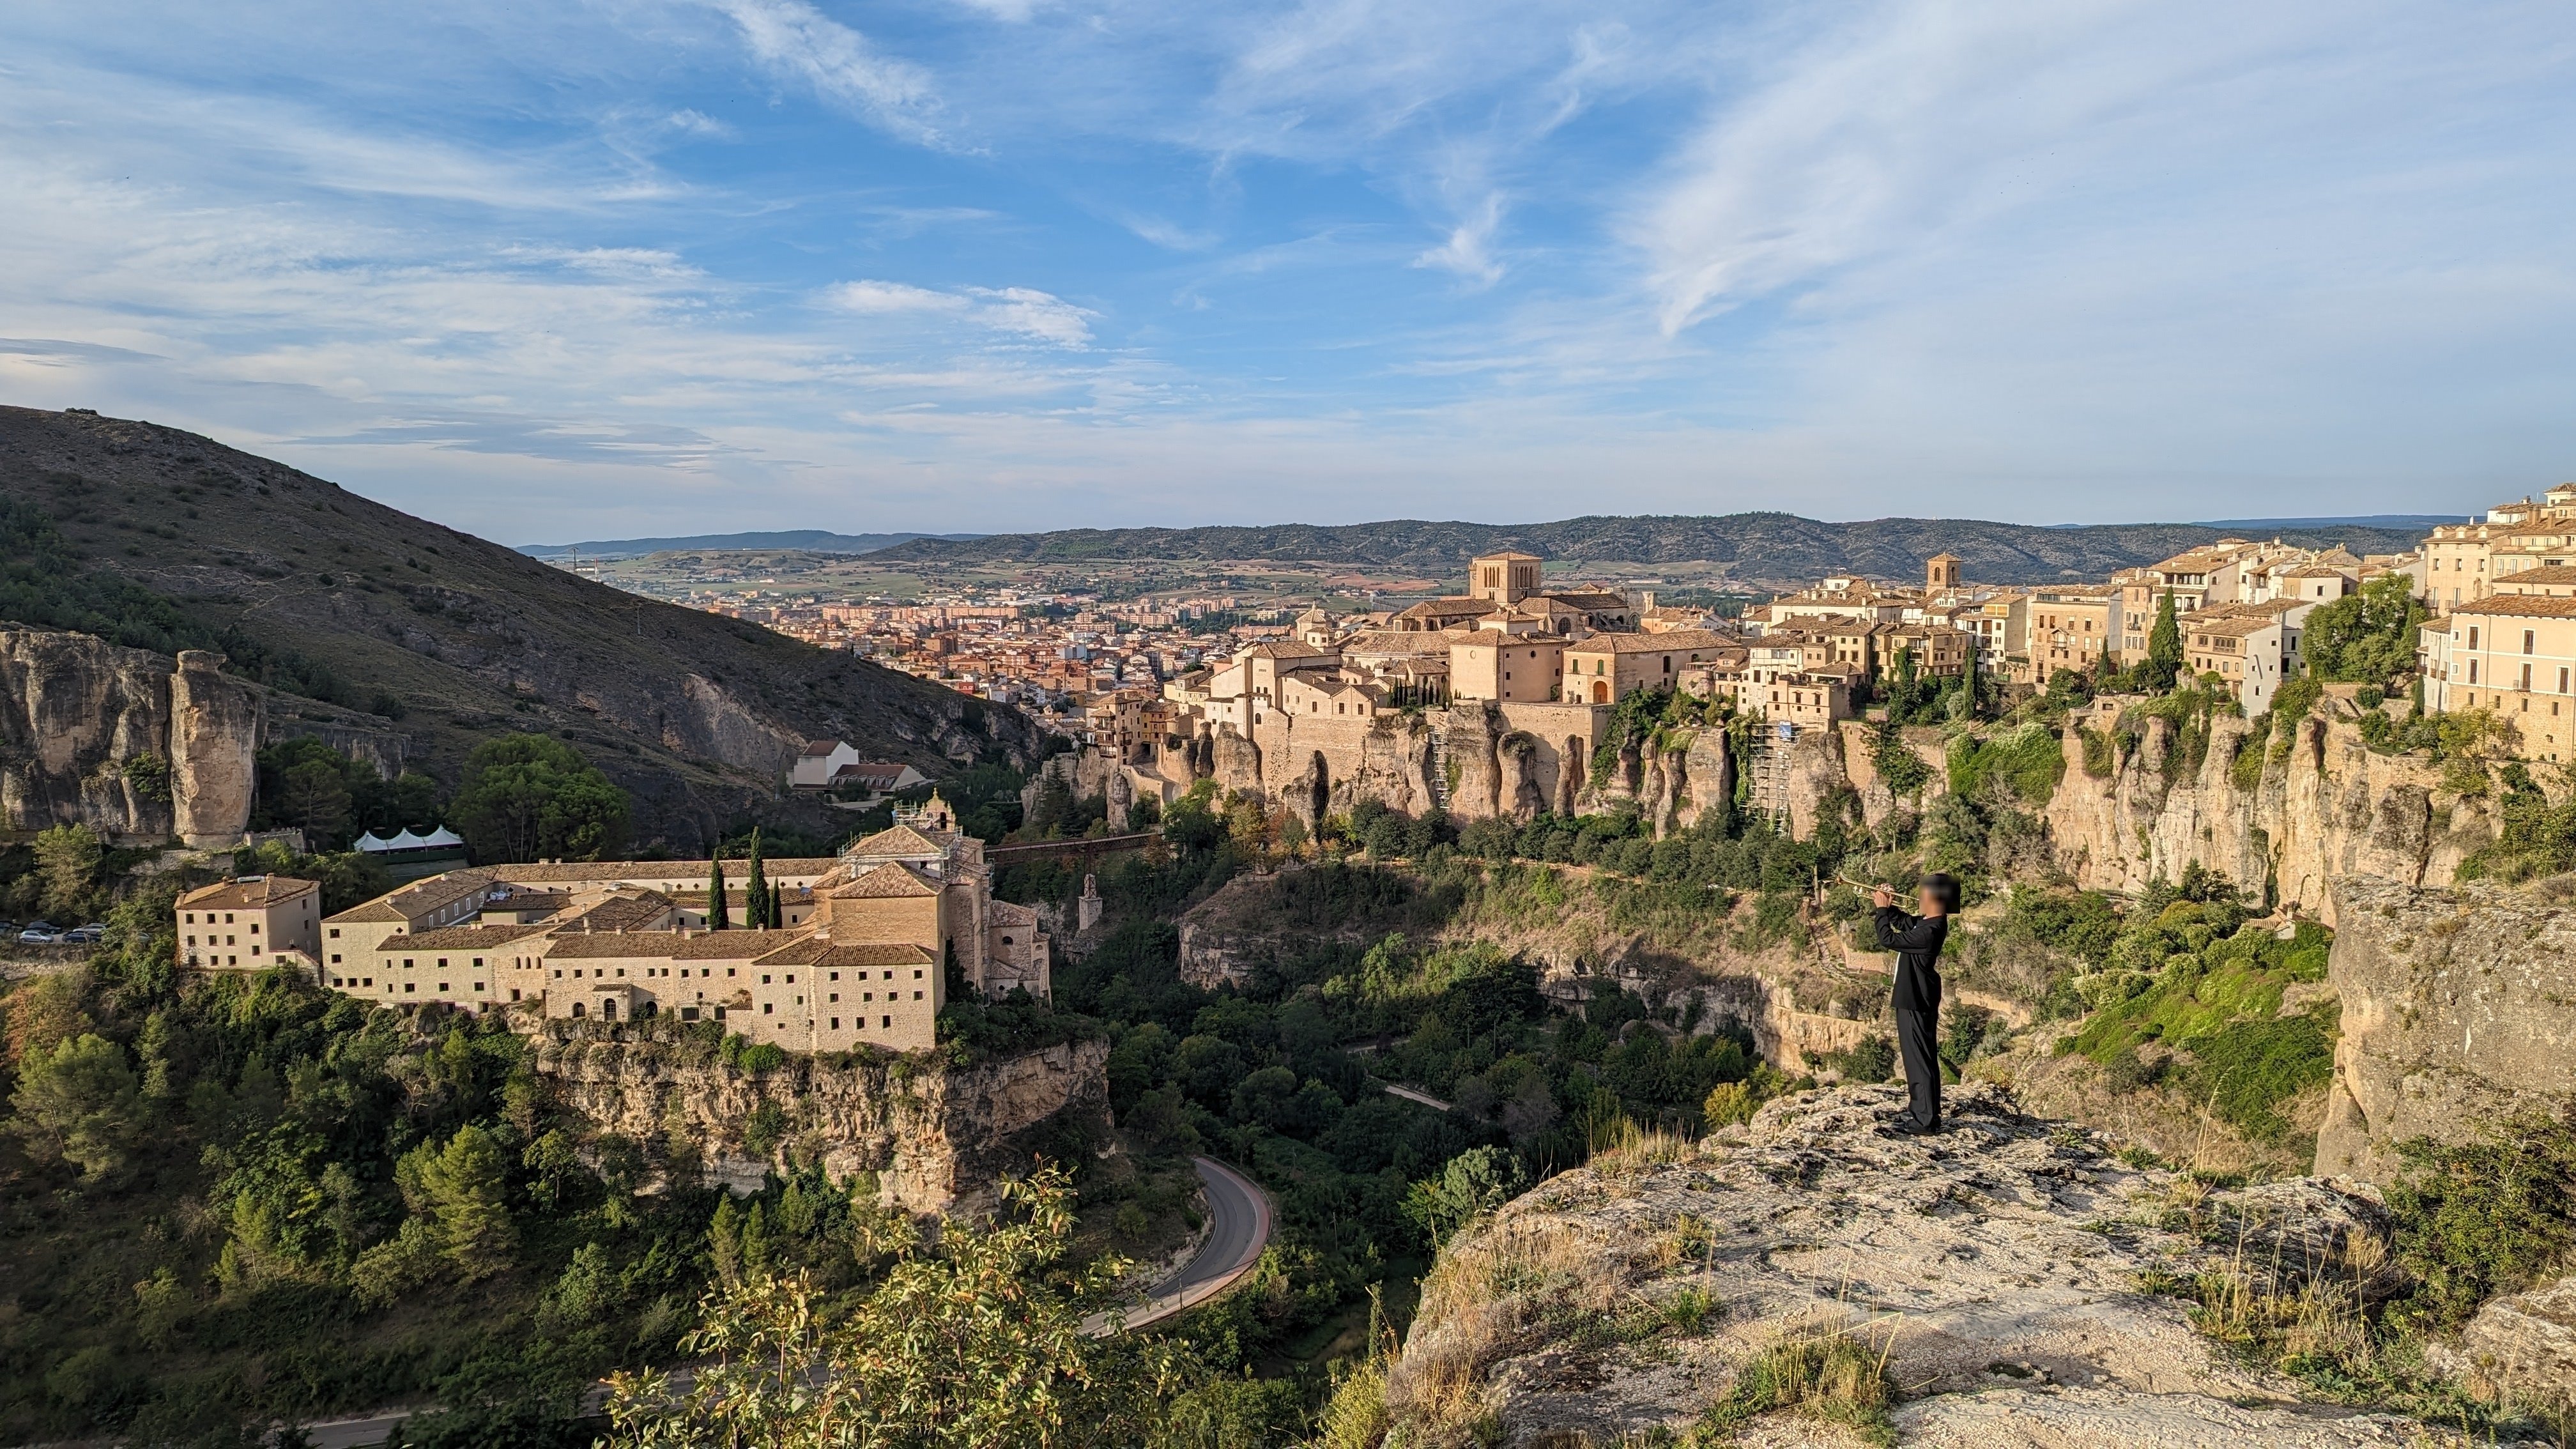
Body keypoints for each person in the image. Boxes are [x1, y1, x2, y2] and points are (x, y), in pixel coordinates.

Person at [1871, 873, 1959, 1135]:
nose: (1919, 897)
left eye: (1924, 894)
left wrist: (1881, 911)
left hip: (1916, 999)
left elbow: (1888, 939)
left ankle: (1924, 1121)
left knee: (1918, 1060)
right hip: (1917, 997)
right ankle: (1925, 1115)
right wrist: (1888, 904)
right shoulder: (1927, 922)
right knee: (1921, 1059)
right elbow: (1902, 921)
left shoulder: (1931, 931)